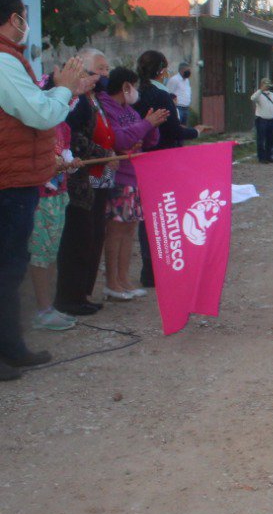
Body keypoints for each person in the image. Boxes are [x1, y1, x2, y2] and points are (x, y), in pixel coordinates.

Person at [0, 0, 93, 380]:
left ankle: (12, 348)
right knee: (7, 270)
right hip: (9, 182)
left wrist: (60, 90)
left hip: (15, 177)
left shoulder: (11, 59)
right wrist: (64, 88)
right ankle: (8, 351)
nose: (27, 22)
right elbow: (39, 114)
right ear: (14, 19)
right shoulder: (4, 60)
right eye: (24, 15)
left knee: (10, 270)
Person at [135, 50, 208, 288]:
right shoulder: (161, 95)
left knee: (147, 217)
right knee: (164, 215)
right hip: (164, 159)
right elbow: (173, 130)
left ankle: (149, 269)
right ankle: (162, 266)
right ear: (162, 70)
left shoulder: (137, 93)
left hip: (143, 159)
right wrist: (195, 131)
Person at [54, 50, 119, 316]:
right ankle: (70, 298)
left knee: (92, 235)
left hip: (94, 175)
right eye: (99, 69)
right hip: (77, 179)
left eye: (106, 69)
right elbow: (74, 138)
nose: (104, 75)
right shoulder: (76, 100)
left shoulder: (94, 98)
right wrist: (104, 154)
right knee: (78, 239)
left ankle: (82, 293)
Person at [98, 66, 166, 301]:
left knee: (129, 231)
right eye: (134, 86)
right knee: (115, 232)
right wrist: (144, 125)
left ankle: (124, 279)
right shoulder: (106, 107)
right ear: (126, 86)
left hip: (135, 176)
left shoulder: (128, 110)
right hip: (119, 178)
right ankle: (112, 282)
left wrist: (152, 125)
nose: (136, 91)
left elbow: (146, 140)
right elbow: (119, 139)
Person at [27, 77, 82, 331]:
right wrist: (53, 165)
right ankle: (41, 309)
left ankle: (48, 306)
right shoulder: (37, 124)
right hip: (40, 197)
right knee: (40, 253)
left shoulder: (63, 127)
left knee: (51, 252)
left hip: (59, 194)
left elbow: (66, 156)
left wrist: (71, 164)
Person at [251, 78, 273, 163]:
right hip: (261, 120)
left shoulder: (272, 95)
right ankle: (261, 157)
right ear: (262, 85)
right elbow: (252, 98)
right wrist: (260, 90)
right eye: (265, 85)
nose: (267, 87)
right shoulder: (258, 94)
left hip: (272, 120)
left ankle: (268, 156)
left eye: (268, 86)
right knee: (261, 139)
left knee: (270, 139)